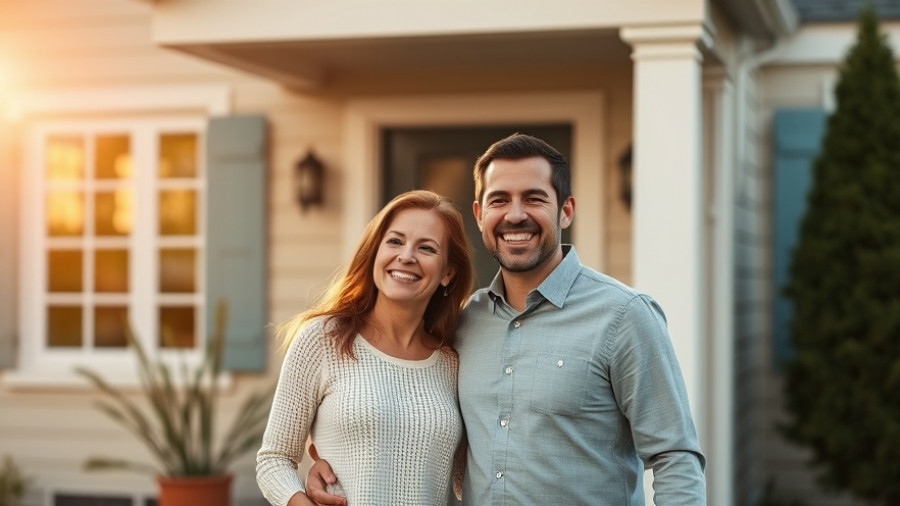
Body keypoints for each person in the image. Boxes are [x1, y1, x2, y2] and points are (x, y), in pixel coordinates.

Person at [307, 134, 706, 504]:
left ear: (566, 210)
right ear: (480, 215)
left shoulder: (624, 316)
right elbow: (413, 422)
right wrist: (330, 466)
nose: (515, 215)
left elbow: (675, 458)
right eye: (499, 200)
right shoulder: (463, 325)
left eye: (533, 198)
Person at [256, 190, 475, 506]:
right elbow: (274, 459)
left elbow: (466, 482)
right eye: (395, 241)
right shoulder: (323, 338)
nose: (407, 256)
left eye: (426, 248)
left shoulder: (453, 361)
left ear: (448, 274)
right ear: (375, 251)